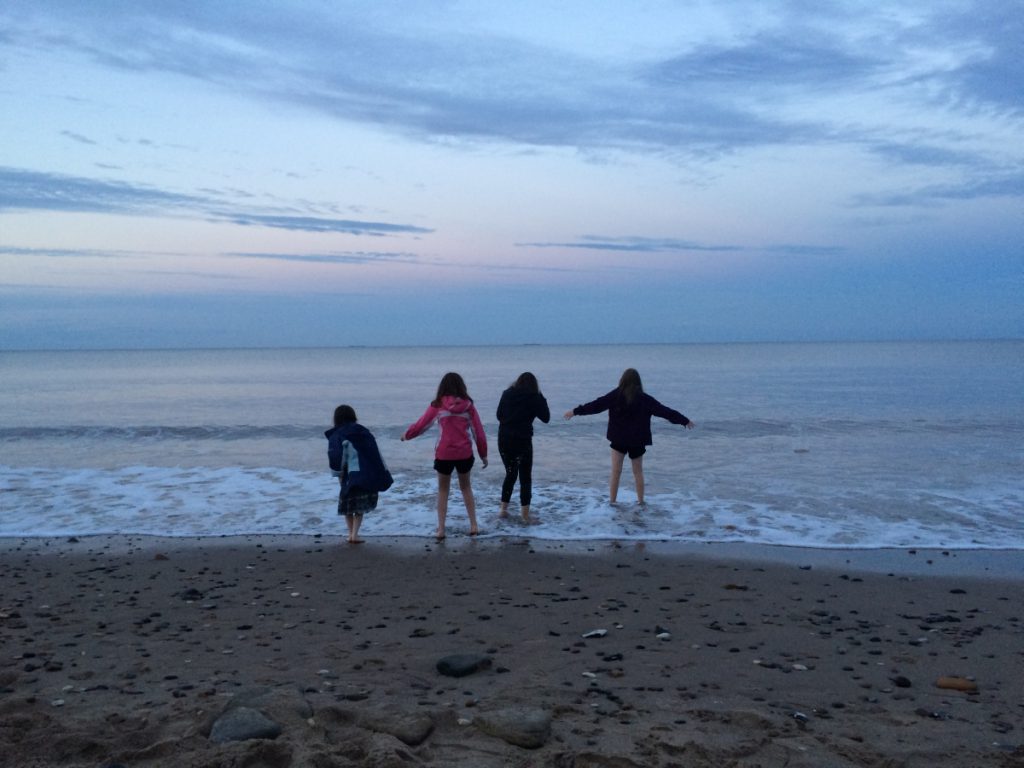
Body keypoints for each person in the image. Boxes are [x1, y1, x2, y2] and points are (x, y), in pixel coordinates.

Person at [564, 368, 694, 504]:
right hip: (637, 440)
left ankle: (613, 502)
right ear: (638, 382)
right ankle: (641, 502)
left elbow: (596, 405)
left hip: (618, 439)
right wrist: (684, 420)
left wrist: (575, 411)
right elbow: (665, 411)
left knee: (616, 471)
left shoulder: (615, 395)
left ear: (622, 380)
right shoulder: (645, 399)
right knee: (638, 472)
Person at [402, 372, 488, 540]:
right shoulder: (468, 406)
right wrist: (483, 454)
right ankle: (473, 525)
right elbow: (478, 432)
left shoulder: (438, 405)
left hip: (444, 454)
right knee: (466, 487)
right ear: (462, 387)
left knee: (443, 490)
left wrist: (407, 435)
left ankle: (441, 529)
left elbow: (422, 425)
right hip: (464, 453)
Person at [325, 404, 393, 544]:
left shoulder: (338, 434)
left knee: (347, 506)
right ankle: (355, 534)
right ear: (353, 416)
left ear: (336, 419)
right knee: (359, 508)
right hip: (366, 475)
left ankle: (350, 534)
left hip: (348, 476)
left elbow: (335, 455)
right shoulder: (363, 432)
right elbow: (375, 453)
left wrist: (337, 473)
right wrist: (382, 473)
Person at [496, 371, 550, 522]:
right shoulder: (534, 397)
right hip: (523, 440)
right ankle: (525, 516)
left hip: (504, 439)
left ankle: (503, 510)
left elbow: (499, 415)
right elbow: (546, 417)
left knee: (510, 473)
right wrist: (541, 396)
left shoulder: (507, 394)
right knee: (525, 477)